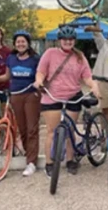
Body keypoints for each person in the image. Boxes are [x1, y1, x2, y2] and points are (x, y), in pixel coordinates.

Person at [32, 25, 100, 177]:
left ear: (74, 41)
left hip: (73, 96)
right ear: (60, 40)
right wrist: (39, 81)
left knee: (69, 130)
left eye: (70, 40)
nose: (68, 42)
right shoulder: (50, 53)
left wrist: (94, 86)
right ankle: (49, 163)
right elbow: (41, 72)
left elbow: (87, 76)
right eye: (65, 39)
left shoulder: (80, 56)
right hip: (52, 96)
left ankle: (70, 160)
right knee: (51, 131)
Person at [0, 30, 41, 177]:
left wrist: (38, 84)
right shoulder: (11, 58)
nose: (21, 44)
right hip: (15, 95)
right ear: (15, 44)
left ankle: (31, 162)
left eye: (23, 41)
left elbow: (41, 76)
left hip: (31, 95)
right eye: (18, 42)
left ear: (28, 43)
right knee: (22, 128)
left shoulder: (35, 59)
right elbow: (7, 76)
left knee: (32, 127)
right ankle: (29, 154)